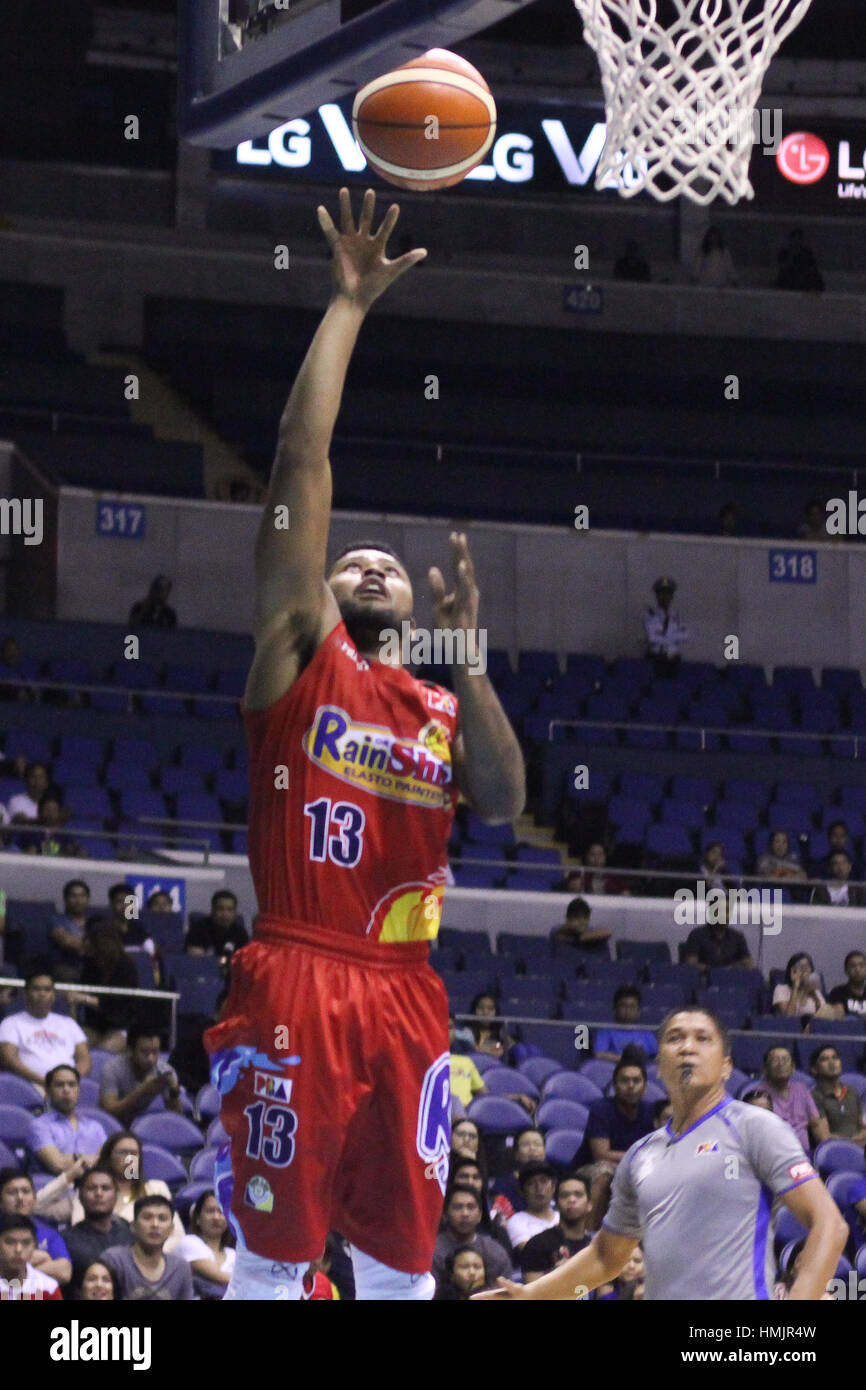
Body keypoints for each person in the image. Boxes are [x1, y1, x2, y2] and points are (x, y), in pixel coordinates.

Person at [203, 187, 525, 1303]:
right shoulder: (300, 654)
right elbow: (299, 464)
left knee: (400, 1258)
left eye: (390, 563)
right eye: (355, 563)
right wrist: (345, 305)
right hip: (297, 969)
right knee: (276, 1254)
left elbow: (501, 799)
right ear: (323, 592)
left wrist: (471, 662)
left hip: (406, 993)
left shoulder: (435, 707)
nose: (374, 564)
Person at [473, 1006, 848, 1302]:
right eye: (675, 1038)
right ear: (660, 1064)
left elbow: (829, 1225)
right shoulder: (640, 1154)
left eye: (703, 1038)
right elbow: (606, 1257)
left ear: (726, 1066)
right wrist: (535, 1293)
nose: (687, 1046)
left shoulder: (755, 1127)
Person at [69, 1131, 186, 1251]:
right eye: (123, 1153)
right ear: (108, 1157)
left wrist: (147, 1253)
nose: (130, 1159)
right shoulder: (93, 1191)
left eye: (134, 1153)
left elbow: (178, 1235)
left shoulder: (156, 1188)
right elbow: (79, 1229)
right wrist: (69, 1176)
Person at [0, 969, 91, 1089]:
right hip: (30, 1086)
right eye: (36, 989)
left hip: (68, 1088)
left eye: (47, 989)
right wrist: (45, 1082)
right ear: (26, 994)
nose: (42, 993)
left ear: (53, 995)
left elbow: (84, 1059)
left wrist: (69, 1082)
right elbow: (9, 1060)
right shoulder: (10, 1023)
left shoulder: (69, 1024)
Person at [102, 1195, 194, 1300]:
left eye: (162, 1219)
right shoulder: (113, 1261)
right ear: (133, 1226)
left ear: (171, 1229)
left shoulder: (180, 1267)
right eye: (147, 1218)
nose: (155, 1224)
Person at [578, 1050, 655, 1170]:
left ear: (645, 1087)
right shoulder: (601, 1109)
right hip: (592, 1170)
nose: (630, 1086)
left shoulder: (651, 1111)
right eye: (624, 1080)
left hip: (634, 1167)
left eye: (636, 1081)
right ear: (615, 1085)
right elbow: (601, 1155)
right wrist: (639, 1158)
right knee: (605, 1169)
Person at [64, 1166, 134, 1295]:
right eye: (91, 1188)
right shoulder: (66, 1240)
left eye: (105, 1188)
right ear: (80, 1196)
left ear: (116, 1195)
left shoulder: (131, 1234)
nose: (99, 1193)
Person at [26, 1063, 106, 1174]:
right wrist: (90, 1159)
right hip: (58, 1187)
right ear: (48, 1091)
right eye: (59, 1085)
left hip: (94, 1187)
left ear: (78, 1090)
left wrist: (74, 1158)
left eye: (72, 1085)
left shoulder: (95, 1126)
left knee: (131, 1153)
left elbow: (108, 1162)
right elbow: (58, 1165)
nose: (66, 1090)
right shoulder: (39, 1126)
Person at [74, 921, 140, 1051]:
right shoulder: (90, 964)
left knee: (104, 1052)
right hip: (95, 1025)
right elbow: (81, 990)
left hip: (121, 1026)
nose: (86, 944)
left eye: (91, 941)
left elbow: (116, 1006)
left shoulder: (125, 966)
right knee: (77, 1047)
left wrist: (85, 999)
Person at [0, 1169, 72, 1286]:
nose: (20, 1198)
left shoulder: (49, 1235)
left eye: (26, 1191)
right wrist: (42, 1260)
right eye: (12, 1192)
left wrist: (15, 1270)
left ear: (34, 1198)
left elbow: (64, 1272)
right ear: (1, 1201)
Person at [432, 1185, 513, 1288]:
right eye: (458, 1207)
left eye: (470, 1207)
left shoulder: (495, 1252)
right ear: (445, 1215)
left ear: (480, 1215)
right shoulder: (433, 1252)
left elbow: (506, 1293)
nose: (465, 1213)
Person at [99, 1027, 183, 1123]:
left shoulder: (165, 1071)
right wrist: (141, 1091)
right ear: (130, 1051)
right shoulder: (112, 1069)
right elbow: (108, 1113)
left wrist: (174, 1090)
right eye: (145, 1052)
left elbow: (177, 1117)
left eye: (155, 1052)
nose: (151, 1058)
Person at [755, 1046, 829, 1153]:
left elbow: (816, 1124)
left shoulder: (801, 1090)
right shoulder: (759, 1095)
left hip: (804, 1155)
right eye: (775, 1060)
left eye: (785, 1059)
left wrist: (825, 1151)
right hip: (774, 1155)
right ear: (765, 1069)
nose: (781, 1064)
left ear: (793, 1068)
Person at [519, 1173, 592, 1281]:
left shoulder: (594, 1246)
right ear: (557, 1204)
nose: (571, 1199)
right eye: (565, 1195)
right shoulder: (537, 1245)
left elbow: (605, 1295)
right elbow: (533, 1294)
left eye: (578, 1195)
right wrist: (557, 1276)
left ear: (589, 1205)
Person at [175, 1189, 236, 1299]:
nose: (216, 1217)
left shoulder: (233, 1254)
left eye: (221, 1212)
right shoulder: (189, 1242)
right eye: (210, 1211)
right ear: (198, 1218)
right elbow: (220, 1277)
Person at [808, 1045, 866, 1145]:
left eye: (835, 1058)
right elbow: (824, 1138)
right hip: (834, 1152)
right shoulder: (813, 1097)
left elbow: (863, 1128)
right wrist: (854, 1141)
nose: (832, 1062)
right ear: (815, 1069)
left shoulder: (852, 1092)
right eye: (824, 1059)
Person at [0, 1212, 64, 1300]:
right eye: (10, 1242)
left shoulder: (48, 1288)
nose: (18, 1249)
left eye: (26, 1243)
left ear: (35, 1246)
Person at [490, 1127, 546, 1218]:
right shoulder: (504, 1184)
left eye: (537, 1144)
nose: (532, 1148)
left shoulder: (553, 1180)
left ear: (545, 1151)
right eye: (525, 1145)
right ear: (517, 1154)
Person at [593, 986, 659, 1062]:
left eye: (632, 1006)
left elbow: (659, 1056)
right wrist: (627, 1060)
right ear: (614, 1009)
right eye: (623, 1006)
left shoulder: (646, 1034)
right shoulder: (605, 1032)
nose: (628, 1010)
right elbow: (599, 1054)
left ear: (639, 1011)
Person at [504, 1161, 559, 1250]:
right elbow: (529, 1252)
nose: (539, 1188)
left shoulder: (562, 1217)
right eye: (531, 1183)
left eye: (544, 1181)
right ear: (522, 1192)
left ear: (553, 1187)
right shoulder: (517, 1221)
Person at [772, 952, 840, 1021]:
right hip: (790, 1029)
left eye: (806, 967)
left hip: (813, 1028)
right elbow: (789, 1018)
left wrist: (814, 995)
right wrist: (795, 986)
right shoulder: (781, 989)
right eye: (800, 967)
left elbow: (823, 1016)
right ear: (792, 971)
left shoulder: (815, 991)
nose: (804, 970)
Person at [642, 577, 688, 678]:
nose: (665, 597)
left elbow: (684, 636)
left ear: (672, 596)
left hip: (673, 657)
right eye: (662, 593)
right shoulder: (650, 614)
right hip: (656, 657)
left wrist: (663, 635)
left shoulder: (677, 616)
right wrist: (673, 636)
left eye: (668, 594)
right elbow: (652, 637)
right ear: (657, 596)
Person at [49, 879, 92, 983]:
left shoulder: (95, 921)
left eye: (82, 896)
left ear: (88, 899)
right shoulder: (57, 920)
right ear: (65, 899)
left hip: (92, 966)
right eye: (73, 896)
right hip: (67, 967)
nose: (78, 900)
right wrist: (92, 946)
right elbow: (67, 942)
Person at [682, 912, 753, 974]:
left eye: (727, 911)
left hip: (731, 981)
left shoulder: (738, 937)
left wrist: (733, 968)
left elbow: (748, 965)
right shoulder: (697, 935)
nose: (725, 916)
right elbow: (691, 965)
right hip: (704, 982)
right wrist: (713, 970)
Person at [186, 891, 249, 961]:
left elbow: (246, 959)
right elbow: (195, 959)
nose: (225, 914)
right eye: (220, 909)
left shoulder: (240, 932)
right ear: (212, 910)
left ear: (235, 912)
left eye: (230, 910)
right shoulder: (199, 929)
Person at [18, 791, 80, 857]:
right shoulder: (31, 832)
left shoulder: (66, 835)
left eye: (54, 810)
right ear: (40, 811)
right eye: (47, 810)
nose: (50, 814)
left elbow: (73, 852)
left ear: (59, 812)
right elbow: (29, 854)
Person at [468, 992, 516, 1061]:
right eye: (481, 1008)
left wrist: (501, 1047)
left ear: (496, 1012)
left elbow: (511, 1045)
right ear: (474, 1010)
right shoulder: (467, 1031)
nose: (485, 1012)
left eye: (490, 1009)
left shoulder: (500, 1032)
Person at [827, 950, 866, 1018]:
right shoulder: (837, 993)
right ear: (846, 970)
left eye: (861, 965)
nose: (858, 969)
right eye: (853, 966)